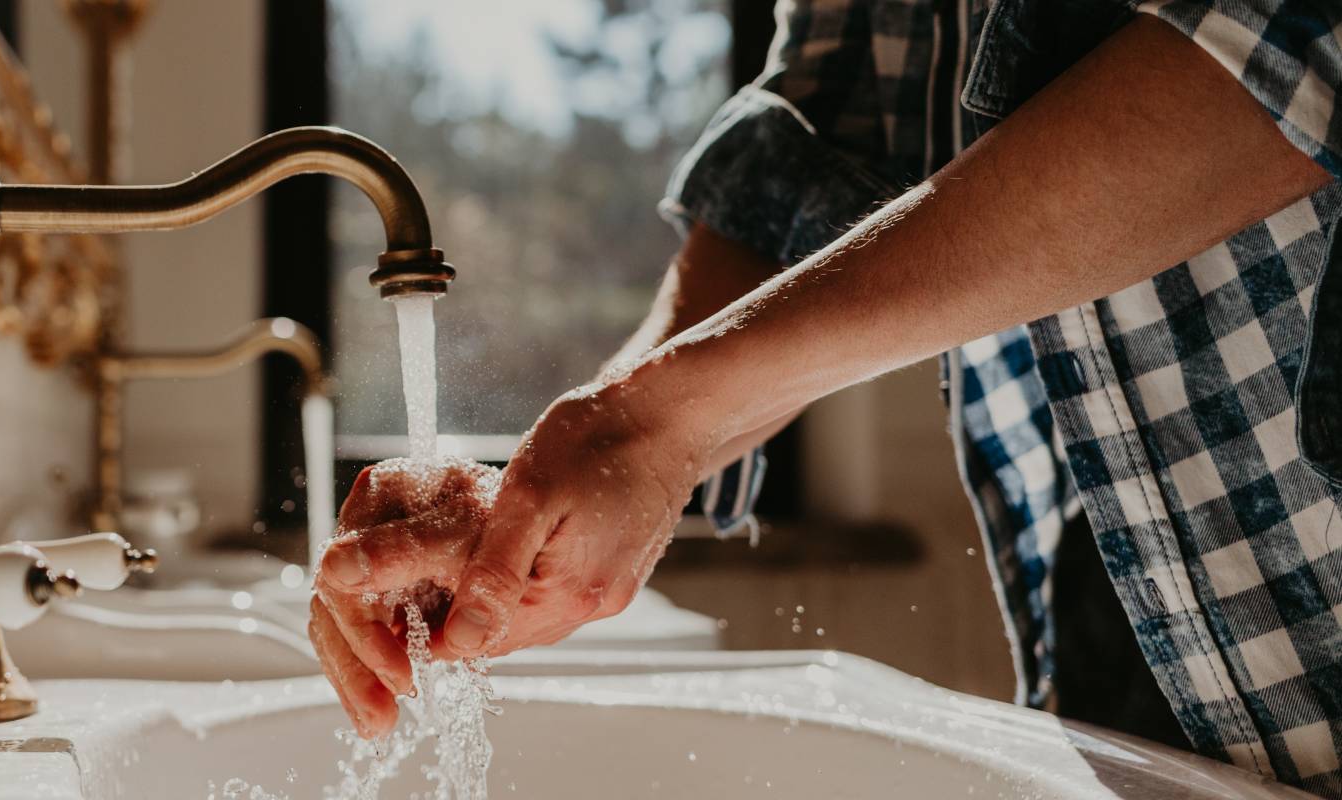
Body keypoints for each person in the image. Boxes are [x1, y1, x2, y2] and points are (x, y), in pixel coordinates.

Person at [309, 2, 1342, 794]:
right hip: (1122, 556)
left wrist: (649, 423)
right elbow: (821, 142)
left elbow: (1278, 46)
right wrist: (542, 491)